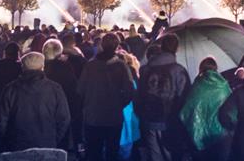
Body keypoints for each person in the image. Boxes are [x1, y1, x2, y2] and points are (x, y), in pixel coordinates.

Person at [0, 51, 72, 152]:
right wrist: (53, 138)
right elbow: (64, 118)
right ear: (42, 67)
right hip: (47, 145)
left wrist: (8, 140)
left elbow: (2, 120)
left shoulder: (10, 89)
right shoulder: (55, 89)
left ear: (23, 68)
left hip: (17, 146)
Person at [78, 32, 136, 161]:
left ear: (101, 45)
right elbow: (130, 91)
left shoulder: (90, 65)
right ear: (117, 46)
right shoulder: (121, 66)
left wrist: (89, 104)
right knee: (112, 151)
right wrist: (119, 104)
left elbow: (81, 90)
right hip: (113, 117)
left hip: (93, 116)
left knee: (93, 152)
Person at [135, 33, 191, 161]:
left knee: (154, 152)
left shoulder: (145, 69)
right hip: (170, 119)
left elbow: (139, 94)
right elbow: (185, 97)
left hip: (148, 118)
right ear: (177, 48)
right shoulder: (178, 71)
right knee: (170, 151)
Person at [179, 57, 232, 161]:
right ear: (216, 69)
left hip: (199, 136)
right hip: (221, 135)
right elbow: (231, 109)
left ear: (201, 69)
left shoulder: (196, 86)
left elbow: (185, 111)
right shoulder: (224, 86)